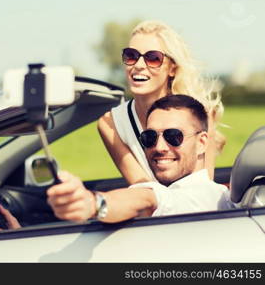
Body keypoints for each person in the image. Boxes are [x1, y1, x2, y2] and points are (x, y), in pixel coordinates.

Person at [47, 95, 233, 223]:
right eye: (149, 137)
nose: (159, 147)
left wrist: (93, 204)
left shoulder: (200, 196)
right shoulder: (218, 194)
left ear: (202, 143)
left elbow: (145, 199)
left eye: (174, 136)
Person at [97, 20, 225, 185]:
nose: (138, 65)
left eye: (153, 58)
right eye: (131, 56)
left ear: (172, 68)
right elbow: (144, 189)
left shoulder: (200, 114)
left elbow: (203, 190)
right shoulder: (110, 124)